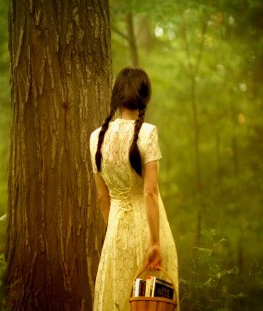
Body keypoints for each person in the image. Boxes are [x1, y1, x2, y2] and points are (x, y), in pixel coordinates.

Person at [89, 67, 179, 310]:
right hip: (150, 230)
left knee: (118, 299)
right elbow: (150, 192)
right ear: (144, 97)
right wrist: (155, 243)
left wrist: (114, 230)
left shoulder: (96, 137)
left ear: (116, 97)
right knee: (153, 302)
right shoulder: (148, 133)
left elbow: (101, 197)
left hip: (116, 232)